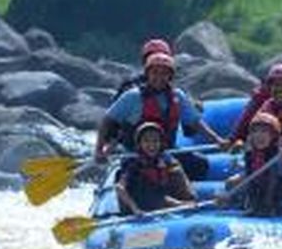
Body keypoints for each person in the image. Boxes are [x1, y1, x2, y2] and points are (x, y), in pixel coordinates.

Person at [95, 52, 228, 178]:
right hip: (137, 156)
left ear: (170, 76)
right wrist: (99, 150)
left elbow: (195, 123)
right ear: (147, 74)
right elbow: (107, 120)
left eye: (164, 74)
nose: (159, 77)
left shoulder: (178, 96)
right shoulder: (133, 96)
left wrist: (218, 141)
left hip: (166, 152)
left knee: (200, 165)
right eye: (155, 73)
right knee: (136, 178)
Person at [116, 122, 196, 215]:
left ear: (160, 143)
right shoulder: (133, 164)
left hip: (161, 199)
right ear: (140, 144)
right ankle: (176, 204)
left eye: (155, 141)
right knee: (140, 182)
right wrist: (135, 209)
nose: (151, 145)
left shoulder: (167, 161)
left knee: (174, 172)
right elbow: (120, 188)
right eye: (146, 141)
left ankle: (180, 204)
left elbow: (181, 180)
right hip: (140, 204)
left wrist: (189, 197)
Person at [221, 112, 282, 216]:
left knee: (269, 187)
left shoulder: (281, 151)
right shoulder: (250, 150)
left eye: (264, 132)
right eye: (255, 132)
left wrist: (267, 202)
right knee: (231, 182)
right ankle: (237, 203)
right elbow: (250, 173)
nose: (259, 136)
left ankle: (270, 206)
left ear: (273, 136)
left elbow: (273, 179)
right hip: (259, 178)